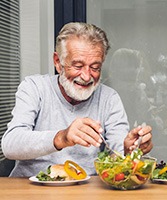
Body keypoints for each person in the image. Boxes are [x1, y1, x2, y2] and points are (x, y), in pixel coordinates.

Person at [1, 22, 153, 177]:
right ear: (58, 63)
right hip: (28, 189)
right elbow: (10, 145)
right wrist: (62, 137)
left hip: (85, 190)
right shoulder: (34, 87)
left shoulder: (109, 98)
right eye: (78, 66)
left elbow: (117, 156)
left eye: (95, 68)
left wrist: (128, 151)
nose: (86, 76)